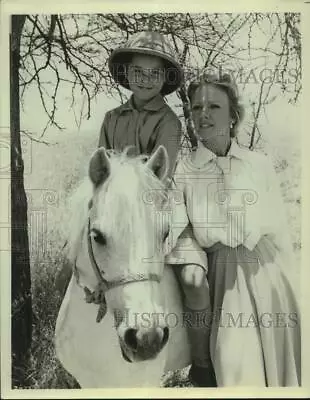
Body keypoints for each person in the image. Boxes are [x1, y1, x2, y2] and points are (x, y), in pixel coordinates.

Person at [56, 31, 216, 387]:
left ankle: (202, 363)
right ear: (126, 75)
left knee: (192, 279)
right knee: (89, 253)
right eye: (139, 72)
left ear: (164, 80)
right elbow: (101, 172)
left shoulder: (169, 123)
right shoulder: (112, 118)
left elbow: (160, 178)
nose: (146, 79)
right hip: (119, 215)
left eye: (154, 73)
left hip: (159, 213)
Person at [171, 71, 301, 386]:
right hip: (222, 283)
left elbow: (280, 233)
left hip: (269, 276)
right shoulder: (184, 171)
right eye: (197, 108)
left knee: (283, 368)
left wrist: (295, 289)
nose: (203, 114)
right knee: (237, 370)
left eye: (214, 107)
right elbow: (175, 231)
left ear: (232, 116)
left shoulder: (259, 164)